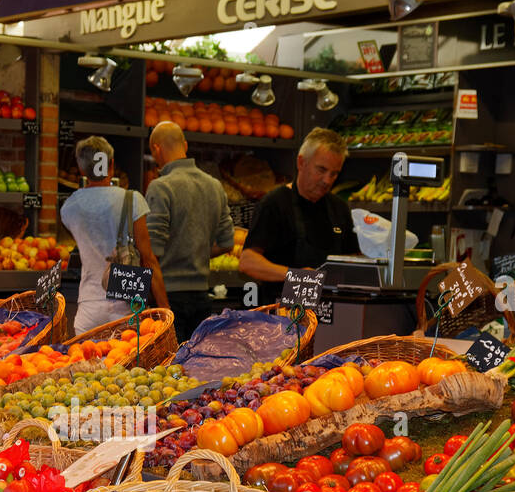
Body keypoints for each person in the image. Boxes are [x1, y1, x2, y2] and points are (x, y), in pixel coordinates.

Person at [59, 135, 168, 334]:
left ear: (82, 169)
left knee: (86, 365)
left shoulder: (69, 207)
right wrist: (165, 311)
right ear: (111, 165)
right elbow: (148, 259)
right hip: (127, 306)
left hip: (88, 308)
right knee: (126, 364)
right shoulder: (132, 199)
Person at [239, 127, 360, 304]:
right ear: (301, 162)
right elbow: (248, 262)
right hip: (282, 318)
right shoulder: (274, 203)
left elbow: (353, 259)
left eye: (334, 174)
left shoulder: (339, 208)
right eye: (321, 169)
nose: (327, 180)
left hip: (330, 314)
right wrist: (295, 276)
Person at [145, 122, 235, 341]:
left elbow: (151, 253)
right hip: (201, 296)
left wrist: (163, 308)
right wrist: (198, 250)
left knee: (167, 368)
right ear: (184, 145)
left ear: (156, 149)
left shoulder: (160, 187)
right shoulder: (214, 185)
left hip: (167, 294)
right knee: (195, 367)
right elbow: (227, 243)